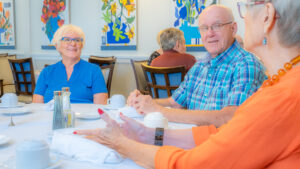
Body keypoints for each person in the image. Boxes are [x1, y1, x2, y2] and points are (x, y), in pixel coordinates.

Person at [76, 0, 300, 168]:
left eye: (246, 8)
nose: (209, 34)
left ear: (267, 16)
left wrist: (121, 144)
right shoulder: (279, 81)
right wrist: (147, 131)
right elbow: (226, 133)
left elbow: (196, 162)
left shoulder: (282, 94)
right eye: (204, 28)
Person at [127, 5, 266, 126]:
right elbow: (175, 102)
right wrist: (145, 102)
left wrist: (160, 111)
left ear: (233, 28)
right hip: (189, 140)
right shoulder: (199, 65)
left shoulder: (246, 64)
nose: (210, 33)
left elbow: (229, 117)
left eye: (217, 26)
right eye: (204, 28)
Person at [33, 24, 108, 104]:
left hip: (83, 116)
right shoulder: (46, 72)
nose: (73, 43)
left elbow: (100, 107)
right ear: (57, 45)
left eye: (77, 40)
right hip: (52, 116)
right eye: (67, 39)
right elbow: (37, 107)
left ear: (81, 45)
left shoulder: (94, 71)